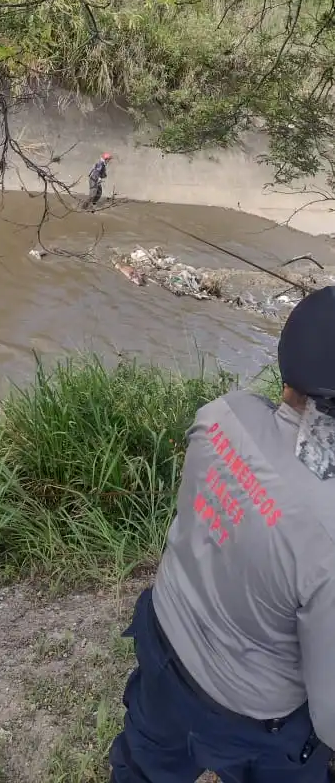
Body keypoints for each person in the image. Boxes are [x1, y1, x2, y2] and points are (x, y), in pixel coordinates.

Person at [110, 286, 335, 783]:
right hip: (255, 718)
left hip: (163, 642)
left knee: (144, 769)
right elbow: (330, 718)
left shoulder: (221, 415)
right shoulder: (327, 538)